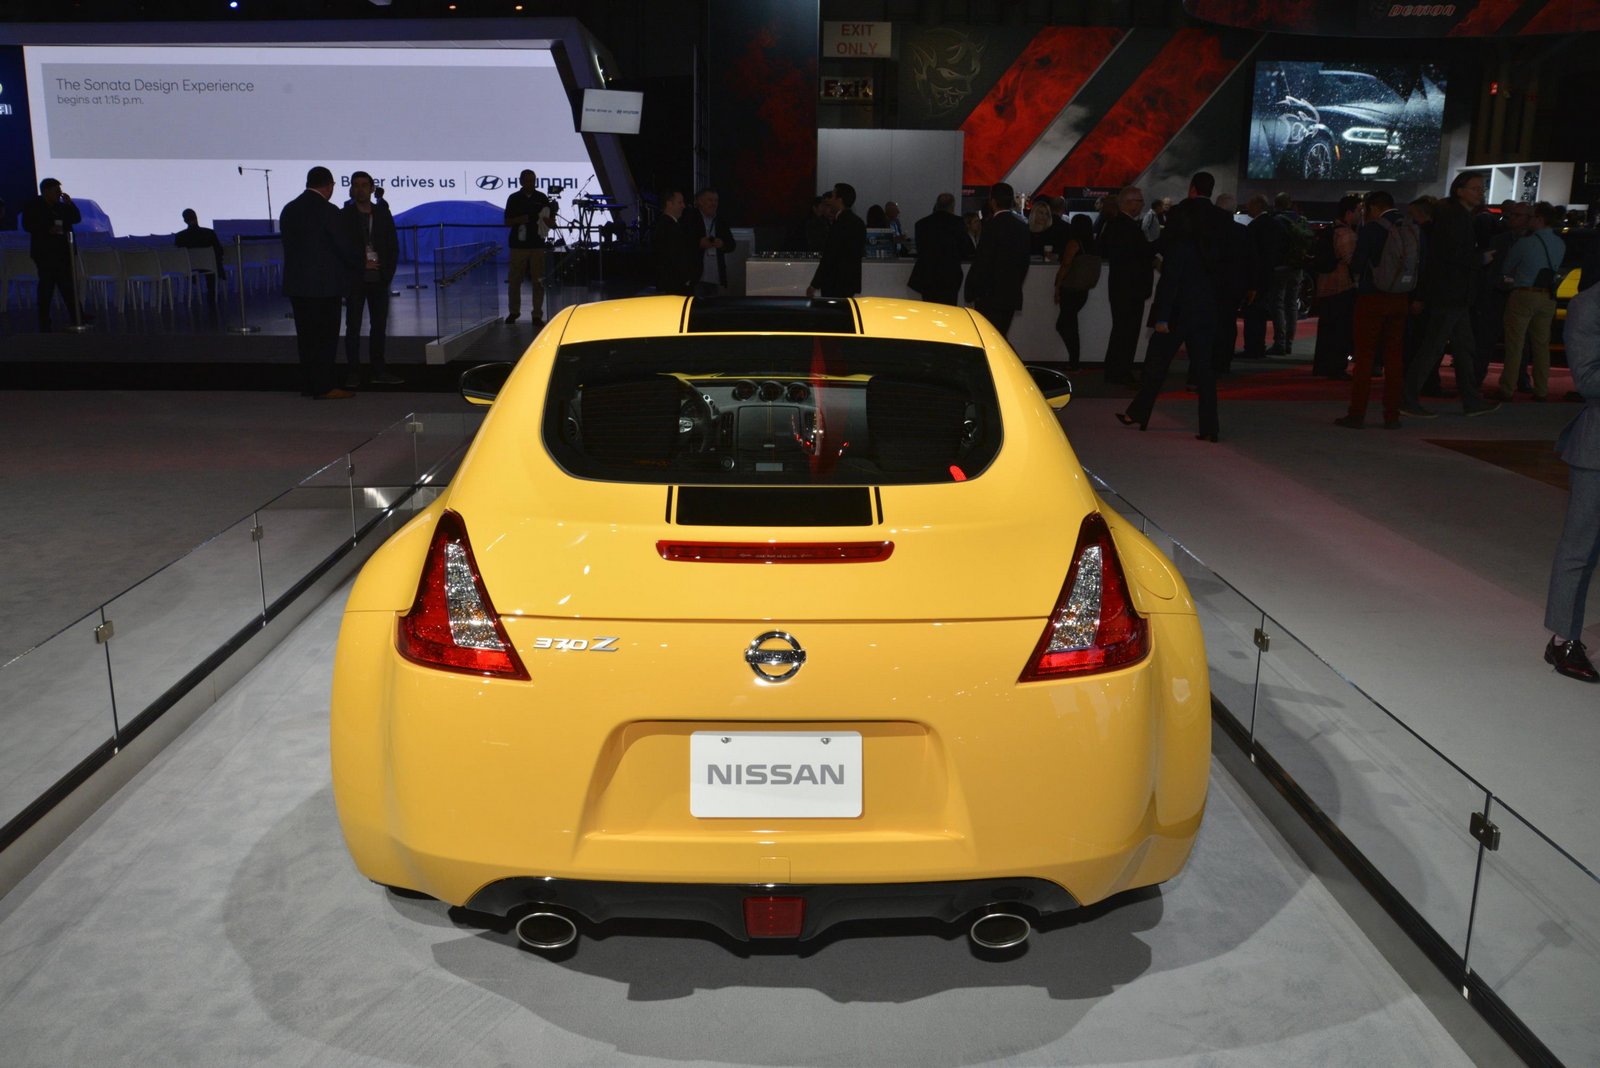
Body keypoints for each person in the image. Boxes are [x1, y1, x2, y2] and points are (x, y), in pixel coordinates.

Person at [1119, 174, 1227, 440]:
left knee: (1157, 364)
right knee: (1204, 371)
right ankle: (1210, 428)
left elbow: (1171, 279)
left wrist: (1162, 316)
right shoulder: (1220, 228)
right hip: (1206, 308)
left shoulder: (1181, 239)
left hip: (1178, 310)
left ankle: (1139, 412)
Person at [1401, 172, 1499, 418]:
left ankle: (1470, 400)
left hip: (1453, 293)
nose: (1480, 192)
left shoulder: (1452, 214)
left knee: (1460, 348)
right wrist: (1480, 259)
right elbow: (1452, 255)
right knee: (1436, 347)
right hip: (1451, 293)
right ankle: (1408, 398)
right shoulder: (1456, 217)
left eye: (1481, 188)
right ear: (1460, 190)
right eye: (1475, 188)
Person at [1543, 274, 1600, 682]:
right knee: (1580, 547)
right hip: (1597, 450)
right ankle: (1563, 640)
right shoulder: (1588, 306)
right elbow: (1588, 379)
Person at [1335, 191, 1413, 429]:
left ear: (1372, 208)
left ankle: (1357, 413)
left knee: (1365, 356)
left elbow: (1358, 263)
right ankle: (1392, 414)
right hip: (1401, 297)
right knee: (1394, 357)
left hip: (1372, 297)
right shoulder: (1411, 227)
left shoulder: (1372, 229)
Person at [281, 165, 360, 399]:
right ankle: (324, 386)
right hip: (325, 286)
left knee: (306, 338)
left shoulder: (289, 209)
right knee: (325, 338)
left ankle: (309, 384)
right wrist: (359, 262)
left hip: (297, 284)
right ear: (329, 185)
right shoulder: (328, 210)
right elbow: (343, 245)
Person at [1497, 202, 1568, 402]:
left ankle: (1507, 388)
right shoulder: (1560, 243)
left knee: (1515, 344)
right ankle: (1541, 389)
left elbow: (1507, 267)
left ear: (1539, 219)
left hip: (1523, 293)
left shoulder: (1525, 243)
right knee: (1541, 345)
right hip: (1547, 297)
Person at [341, 171, 402, 387]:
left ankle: (379, 370)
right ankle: (353, 372)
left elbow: (392, 247)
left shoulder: (382, 214)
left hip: (379, 280)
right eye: (356, 185)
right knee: (353, 327)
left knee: (379, 326)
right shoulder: (344, 215)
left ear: (372, 188)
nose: (360, 189)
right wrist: (360, 263)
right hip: (355, 279)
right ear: (351, 189)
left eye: (364, 185)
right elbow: (342, 248)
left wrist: (387, 275)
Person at [1100, 186, 1156, 386]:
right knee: (1127, 332)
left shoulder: (1118, 225)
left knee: (1122, 331)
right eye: (1139, 201)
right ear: (1128, 203)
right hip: (1130, 288)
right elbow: (1139, 256)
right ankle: (1121, 372)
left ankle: (1115, 371)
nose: (1142, 204)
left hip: (1123, 287)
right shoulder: (1127, 227)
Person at [963, 181, 1031, 336]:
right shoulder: (1022, 227)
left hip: (989, 295)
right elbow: (1024, 263)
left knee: (987, 336)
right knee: (1001, 335)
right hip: (1010, 293)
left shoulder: (990, 227)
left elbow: (982, 262)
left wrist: (971, 290)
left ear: (993, 202)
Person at [1312, 195, 1363, 379]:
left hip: (1325, 286)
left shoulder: (1331, 230)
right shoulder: (1346, 234)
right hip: (1342, 287)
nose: (1361, 214)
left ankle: (1322, 366)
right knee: (1340, 330)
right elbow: (1352, 262)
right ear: (1349, 213)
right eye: (1358, 210)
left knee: (1326, 330)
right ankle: (1336, 367)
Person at [21, 178, 83, 331]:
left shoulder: (61, 207)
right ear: (46, 191)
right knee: (46, 287)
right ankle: (44, 319)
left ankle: (77, 317)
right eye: (56, 191)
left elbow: (76, 218)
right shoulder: (34, 206)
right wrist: (47, 229)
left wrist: (69, 204)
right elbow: (28, 225)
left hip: (63, 252)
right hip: (45, 253)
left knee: (68, 286)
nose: (59, 194)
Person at [503, 169, 551, 325]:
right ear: (521, 181)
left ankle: (537, 314)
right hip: (518, 245)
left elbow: (549, 219)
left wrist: (550, 221)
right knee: (514, 280)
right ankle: (513, 312)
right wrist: (521, 219)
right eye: (528, 180)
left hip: (537, 244)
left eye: (533, 180)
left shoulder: (541, 198)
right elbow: (507, 221)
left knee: (538, 281)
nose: (531, 183)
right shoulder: (514, 198)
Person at [1051, 214, 1099, 369]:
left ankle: (1074, 362)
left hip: (1070, 289)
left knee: (1067, 325)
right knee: (1069, 324)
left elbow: (1066, 265)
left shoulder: (1074, 243)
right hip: (1082, 290)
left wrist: (1057, 285)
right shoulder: (1092, 244)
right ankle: (1074, 361)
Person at [1239, 195, 1281, 362]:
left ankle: (1252, 347)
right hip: (1269, 275)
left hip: (1256, 277)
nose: (1247, 207)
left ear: (1257, 205)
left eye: (1250, 204)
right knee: (1261, 312)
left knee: (1252, 313)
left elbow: (1251, 256)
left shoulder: (1255, 226)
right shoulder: (1274, 224)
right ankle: (1258, 346)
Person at [807, 182, 865, 299]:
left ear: (840, 200)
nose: (830, 200)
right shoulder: (859, 222)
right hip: (850, 282)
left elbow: (830, 256)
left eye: (833, 196)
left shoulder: (839, 224)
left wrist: (815, 284)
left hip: (834, 282)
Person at [907, 192, 966, 306]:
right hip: (950, 275)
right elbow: (963, 249)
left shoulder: (922, 224)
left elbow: (920, 249)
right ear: (952, 206)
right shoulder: (958, 223)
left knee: (930, 308)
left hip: (928, 275)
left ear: (937, 204)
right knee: (949, 309)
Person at [1269, 192, 1309, 355]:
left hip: (1280, 267)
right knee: (1292, 305)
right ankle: (1289, 343)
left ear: (1276, 204)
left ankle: (1279, 342)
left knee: (1277, 303)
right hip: (1297, 267)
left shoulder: (1276, 221)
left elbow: (1273, 245)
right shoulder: (1300, 220)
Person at [682, 187, 737, 297]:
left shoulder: (720, 220)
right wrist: (699, 244)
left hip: (715, 277)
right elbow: (681, 243)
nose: (714, 204)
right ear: (700, 202)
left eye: (716, 200)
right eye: (710, 200)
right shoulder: (689, 218)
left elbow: (732, 245)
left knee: (714, 306)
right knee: (696, 305)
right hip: (696, 276)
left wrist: (722, 244)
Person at [174, 208, 226, 308]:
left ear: (185, 220)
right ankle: (213, 297)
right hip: (209, 266)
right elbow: (219, 251)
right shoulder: (209, 233)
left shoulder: (180, 236)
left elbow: (179, 255)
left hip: (190, 267)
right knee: (213, 265)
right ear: (196, 217)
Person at [651, 188, 694, 295]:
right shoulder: (669, 227)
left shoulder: (666, 224)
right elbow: (675, 256)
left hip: (671, 281)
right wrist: (685, 277)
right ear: (669, 204)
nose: (683, 206)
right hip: (674, 283)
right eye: (680, 202)